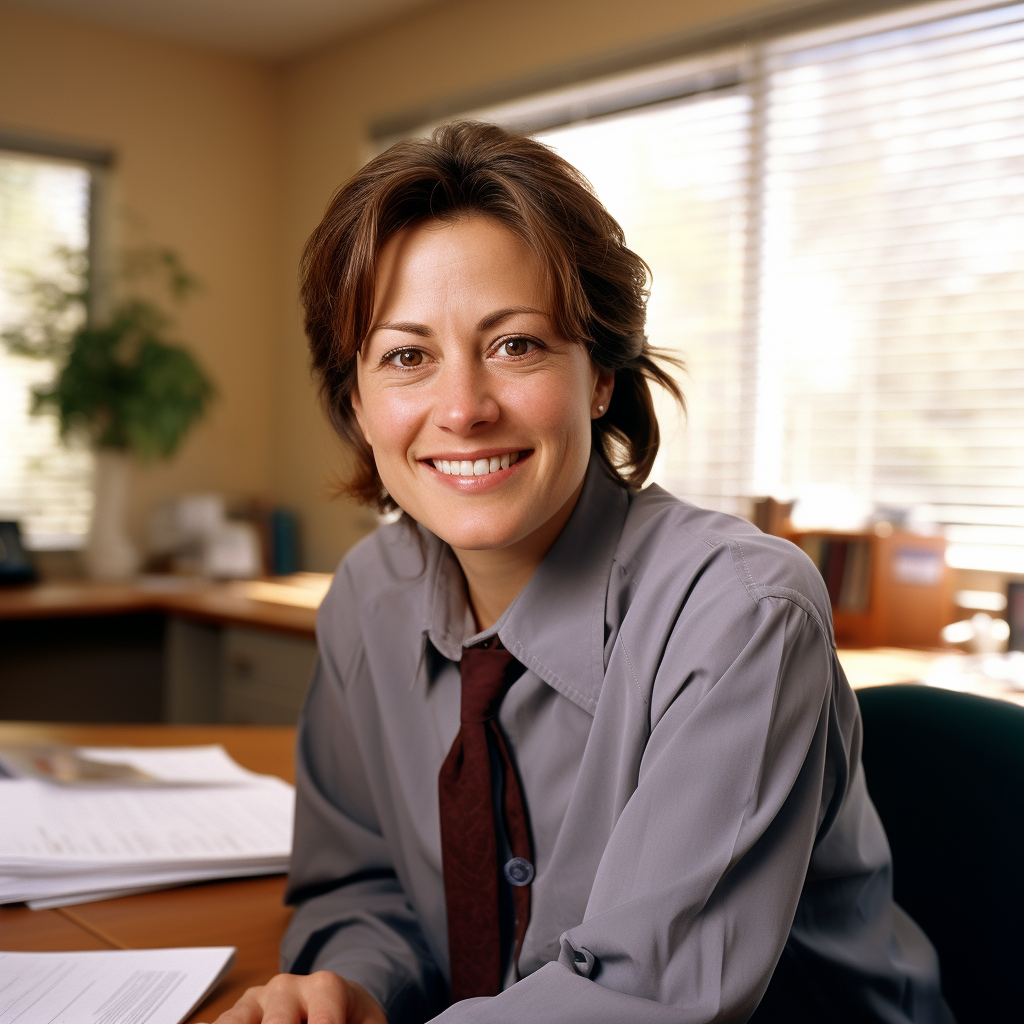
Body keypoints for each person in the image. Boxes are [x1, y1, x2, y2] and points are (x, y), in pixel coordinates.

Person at [209, 121, 951, 1024]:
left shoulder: (741, 614)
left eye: (515, 344)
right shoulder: (367, 596)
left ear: (600, 375)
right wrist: (357, 989)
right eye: (407, 356)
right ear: (356, 401)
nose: (464, 408)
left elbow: (641, 999)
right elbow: (362, 884)